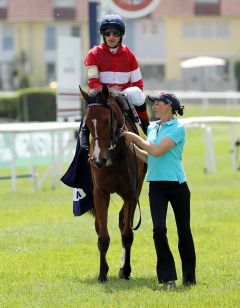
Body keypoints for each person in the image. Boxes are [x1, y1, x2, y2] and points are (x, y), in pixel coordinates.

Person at [122, 92, 196, 288]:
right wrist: (129, 146)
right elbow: (149, 157)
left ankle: (189, 277)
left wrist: (133, 137)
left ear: (169, 106)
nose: (153, 107)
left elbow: (156, 150)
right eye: (153, 104)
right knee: (158, 230)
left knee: (184, 232)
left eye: (157, 103)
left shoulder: (178, 129)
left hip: (177, 186)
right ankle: (168, 278)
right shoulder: (153, 127)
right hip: (156, 187)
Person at [80, 14, 149, 149]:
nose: (111, 36)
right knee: (91, 98)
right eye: (107, 33)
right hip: (102, 96)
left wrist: (119, 93)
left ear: (121, 35)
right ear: (103, 35)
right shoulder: (93, 54)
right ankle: (84, 132)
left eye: (115, 33)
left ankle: (146, 127)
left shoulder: (129, 55)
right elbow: (93, 83)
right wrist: (110, 91)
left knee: (137, 93)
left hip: (124, 96)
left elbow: (138, 85)